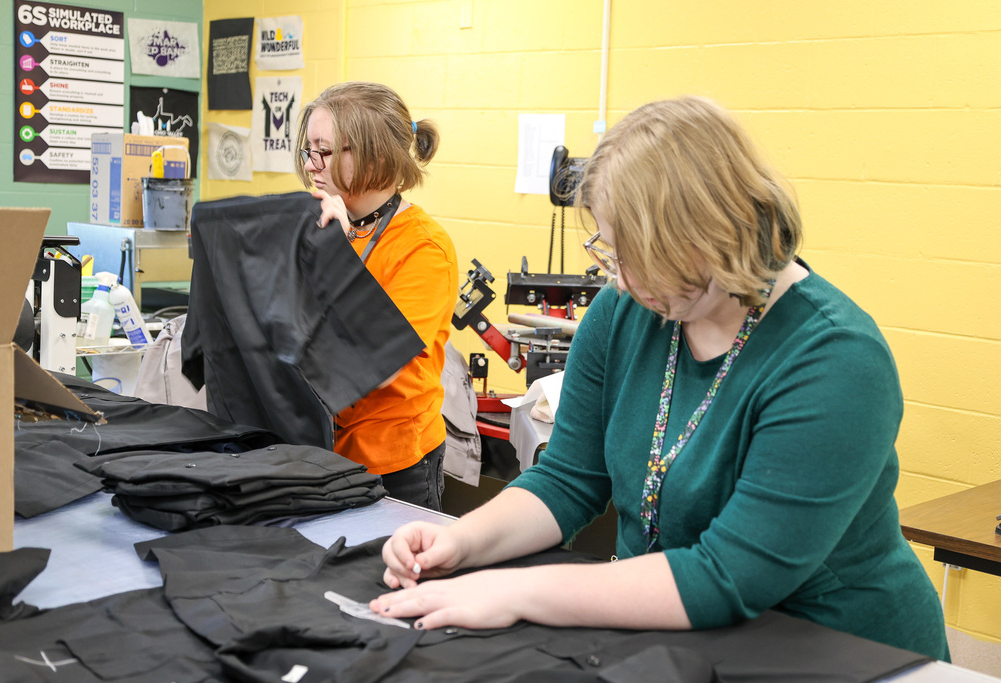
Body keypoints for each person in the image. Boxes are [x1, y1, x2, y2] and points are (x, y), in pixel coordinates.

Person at [369, 96, 951, 660]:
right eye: (610, 253)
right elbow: (568, 480)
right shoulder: (625, 313)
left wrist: (512, 591)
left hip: (840, 651)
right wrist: (464, 541)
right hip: (678, 638)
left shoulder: (835, 360)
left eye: (636, 256)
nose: (620, 280)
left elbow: (727, 578)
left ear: (708, 236)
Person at [294, 82, 458, 511]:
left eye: (325, 151)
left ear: (377, 156)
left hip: (395, 466)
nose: (311, 164)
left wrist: (335, 254)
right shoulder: (322, 225)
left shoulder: (424, 249)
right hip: (319, 451)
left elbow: (378, 366)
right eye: (309, 149)